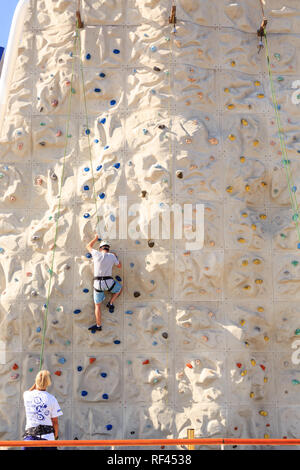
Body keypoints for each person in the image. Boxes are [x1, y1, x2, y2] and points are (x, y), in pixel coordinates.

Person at [86, 234, 122, 332]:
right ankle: (110, 302)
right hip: (109, 282)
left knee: (97, 306)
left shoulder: (96, 253)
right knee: (119, 289)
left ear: (101, 248)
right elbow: (119, 266)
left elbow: (88, 246)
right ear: (108, 249)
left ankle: (98, 326)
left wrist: (95, 238)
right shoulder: (112, 256)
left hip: (98, 284)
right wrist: (115, 256)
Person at [23, 370, 63, 450]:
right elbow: (55, 422)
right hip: (48, 438)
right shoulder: (52, 399)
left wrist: (37, 383)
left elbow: (29, 390)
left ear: (36, 381)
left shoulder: (27, 395)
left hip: (30, 438)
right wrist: (56, 436)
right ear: (48, 382)